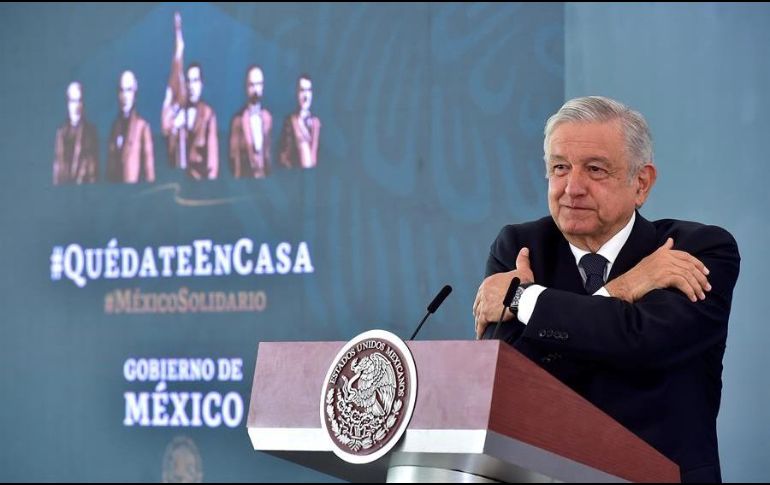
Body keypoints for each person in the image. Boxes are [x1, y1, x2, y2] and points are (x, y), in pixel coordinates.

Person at [473, 96, 740, 483]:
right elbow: (513, 382)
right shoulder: (519, 247)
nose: (572, 187)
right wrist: (629, 285)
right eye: (559, 168)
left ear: (641, 183)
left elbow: (645, 345)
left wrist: (523, 298)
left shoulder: (696, 249)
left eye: (595, 169)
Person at [161, 12, 219, 180]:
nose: (192, 86)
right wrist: (174, 128)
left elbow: (212, 159)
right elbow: (169, 149)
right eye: (189, 80)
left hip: (202, 185)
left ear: (201, 84)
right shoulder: (179, 111)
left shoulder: (208, 114)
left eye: (196, 81)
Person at [107, 70, 155, 183]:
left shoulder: (143, 127)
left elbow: (149, 172)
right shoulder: (114, 127)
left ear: (134, 93)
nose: (125, 96)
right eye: (121, 90)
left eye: (129, 90)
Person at [229, 65, 272, 178]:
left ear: (263, 87)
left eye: (258, 84)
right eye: (252, 85)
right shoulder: (238, 120)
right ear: (246, 87)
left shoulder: (268, 118)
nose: (255, 89)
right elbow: (234, 157)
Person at [53, 81, 99, 185]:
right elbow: (57, 170)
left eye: (79, 101)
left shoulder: (91, 133)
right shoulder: (60, 133)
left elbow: (93, 174)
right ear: (68, 103)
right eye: (73, 101)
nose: (76, 106)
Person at [279, 73, 321, 169]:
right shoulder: (289, 122)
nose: (306, 96)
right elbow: (284, 158)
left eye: (309, 90)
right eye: (302, 91)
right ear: (296, 93)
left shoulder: (317, 123)